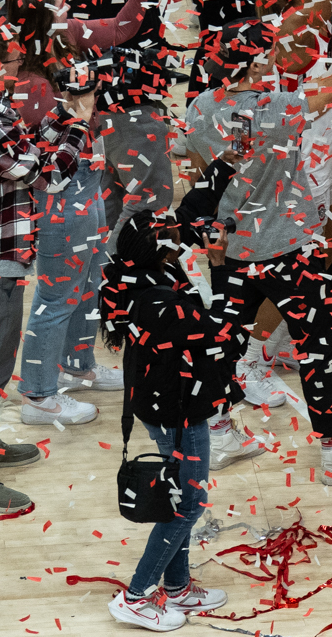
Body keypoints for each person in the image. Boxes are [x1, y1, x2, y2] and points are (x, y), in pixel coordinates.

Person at [178, 0, 332, 485]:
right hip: (290, 253)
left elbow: (199, 168)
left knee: (220, 342)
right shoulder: (280, 109)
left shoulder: (200, 108)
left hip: (231, 252)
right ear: (258, 64)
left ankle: (219, 430)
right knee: (316, 347)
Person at [1, 0, 162, 426]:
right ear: (40, 21)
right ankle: (37, 394)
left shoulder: (66, 36)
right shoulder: (26, 86)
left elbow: (123, 27)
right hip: (57, 196)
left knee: (88, 284)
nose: (64, 3)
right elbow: (41, 160)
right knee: (57, 297)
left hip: (89, 183)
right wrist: (79, 113)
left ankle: (77, 366)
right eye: (55, 1)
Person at [0, 22, 90, 514]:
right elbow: (40, 175)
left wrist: (63, 117)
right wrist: (81, 127)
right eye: (8, 59)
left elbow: (25, 144)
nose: (17, 64)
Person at [96, 209, 238, 631]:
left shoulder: (141, 278)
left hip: (161, 402)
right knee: (189, 503)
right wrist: (220, 267)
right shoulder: (159, 301)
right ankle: (135, 595)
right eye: (173, 235)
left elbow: (189, 224)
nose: (182, 238)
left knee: (179, 494)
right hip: (178, 413)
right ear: (159, 248)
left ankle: (176, 587)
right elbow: (223, 331)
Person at [58, 0, 178, 242]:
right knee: (150, 201)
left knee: (106, 200)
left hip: (93, 97)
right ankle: (142, 275)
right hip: (132, 97)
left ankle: (105, 284)